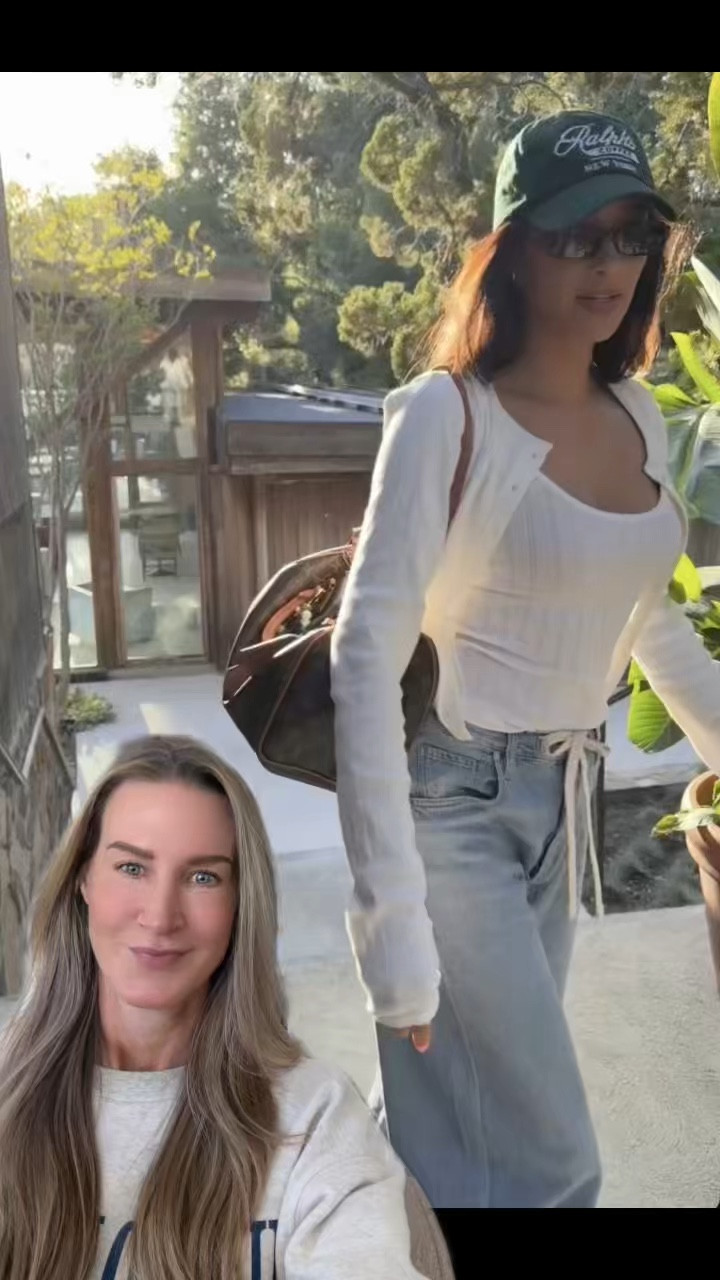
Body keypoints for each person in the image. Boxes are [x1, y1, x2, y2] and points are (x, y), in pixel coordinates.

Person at [330, 109, 719, 1210]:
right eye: (575, 235)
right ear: (513, 252)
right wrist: (390, 931)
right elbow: (364, 654)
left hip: (562, 798)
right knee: (553, 1163)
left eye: (631, 234)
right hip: (450, 808)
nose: (609, 264)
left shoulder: (636, 413)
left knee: (455, 1121)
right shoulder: (446, 415)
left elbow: (649, 620)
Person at [0, 736, 429, 1279]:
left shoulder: (314, 1117)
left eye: (203, 877)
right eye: (132, 868)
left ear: (240, 904)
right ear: (84, 876)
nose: (160, 917)